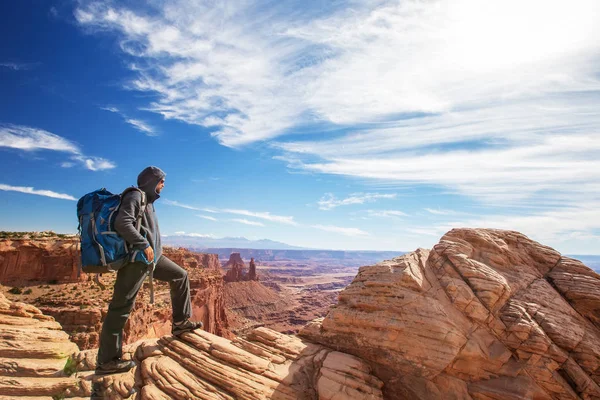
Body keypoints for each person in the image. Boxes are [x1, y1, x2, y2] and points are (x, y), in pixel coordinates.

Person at [95, 166, 203, 376]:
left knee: (180, 275)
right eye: (162, 181)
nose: (164, 185)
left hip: (153, 259)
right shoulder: (136, 195)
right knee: (121, 307)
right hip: (137, 261)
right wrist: (143, 244)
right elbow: (122, 222)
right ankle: (107, 360)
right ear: (153, 181)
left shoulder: (149, 202)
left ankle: (180, 323)